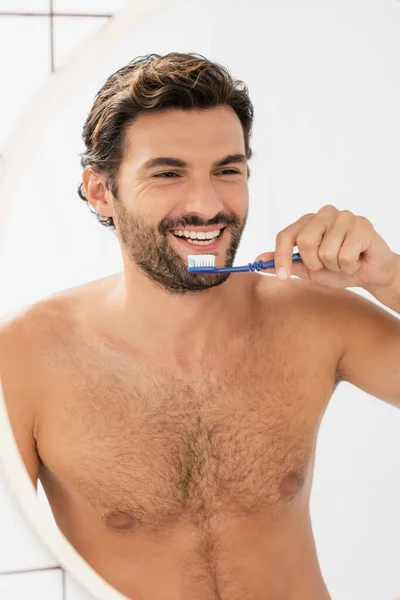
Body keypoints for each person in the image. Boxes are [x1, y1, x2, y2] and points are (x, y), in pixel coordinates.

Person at [1, 52, 399, 600]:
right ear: (100, 191)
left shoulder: (313, 316)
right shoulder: (23, 360)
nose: (208, 205)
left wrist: (390, 277)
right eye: (167, 173)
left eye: (228, 170)